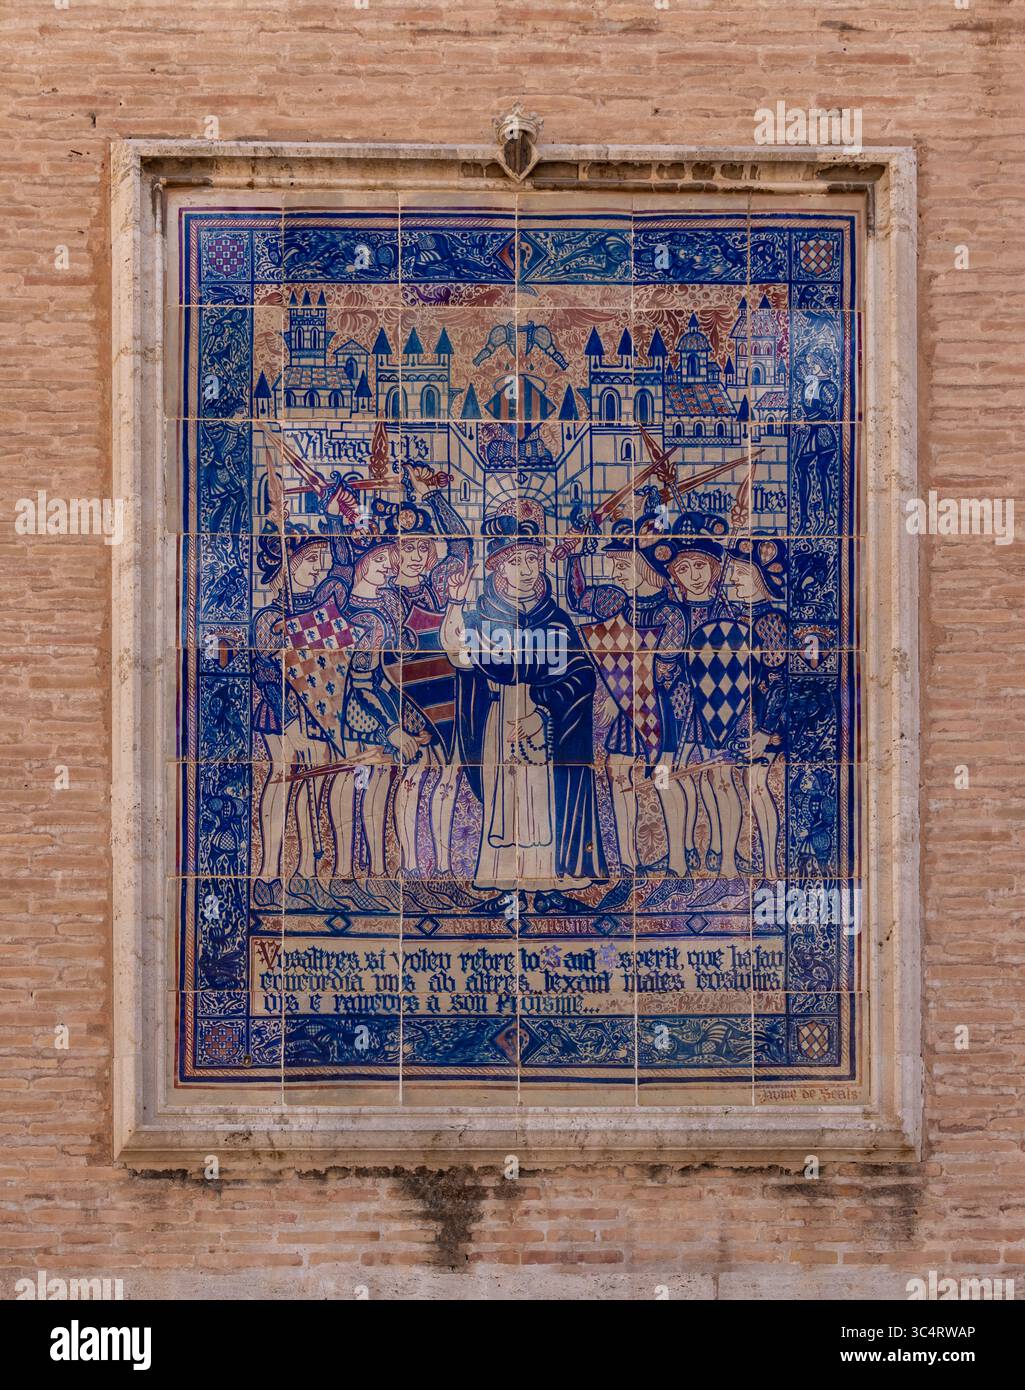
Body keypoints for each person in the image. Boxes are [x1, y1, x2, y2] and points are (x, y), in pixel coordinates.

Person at [441, 509, 607, 889]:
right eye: (516, 560)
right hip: (498, 718)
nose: (527, 569)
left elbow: (581, 676)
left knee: (544, 801)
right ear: (498, 568)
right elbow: (457, 654)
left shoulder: (556, 619)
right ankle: (499, 878)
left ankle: (551, 882)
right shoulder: (482, 616)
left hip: (547, 726)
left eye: (533, 558)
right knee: (507, 802)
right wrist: (454, 603)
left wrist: (543, 710)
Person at [564, 520, 689, 874]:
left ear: (646, 568)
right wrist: (575, 555)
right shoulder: (617, 601)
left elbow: (662, 672)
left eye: (623, 565)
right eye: (616, 565)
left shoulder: (670, 614)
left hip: (657, 711)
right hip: (625, 705)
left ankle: (678, 866)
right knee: (616, 771)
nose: (616, 572)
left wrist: (611, 690)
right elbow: (578, 597)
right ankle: (629, 866)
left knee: (663, 779)